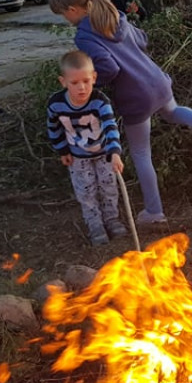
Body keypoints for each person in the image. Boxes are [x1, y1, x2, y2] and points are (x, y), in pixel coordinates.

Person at [48, 0, 192, 226]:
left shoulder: (84, 36)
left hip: (136, 95)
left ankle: (154, 211)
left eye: (63, 15)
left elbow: (108, 67)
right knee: (172, 112)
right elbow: (143, 38)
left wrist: (94, 85)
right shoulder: (115, 16)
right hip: (157, 80)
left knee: (142, 153)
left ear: (72, 9)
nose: (65, 19)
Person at [47, 50, 127, 245]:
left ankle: (111, 219)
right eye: (74, 83)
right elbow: (53, 128)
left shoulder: (100, 101)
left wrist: (115, 152)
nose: (81, 88)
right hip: (78, 157)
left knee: (109, 187)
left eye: (86, 81)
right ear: (63, 81)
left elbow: (110, 126)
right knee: (86, 191)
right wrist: (63, 150)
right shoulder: (55, 104)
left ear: (94, 78)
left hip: (104, 154)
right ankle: (95, 224)